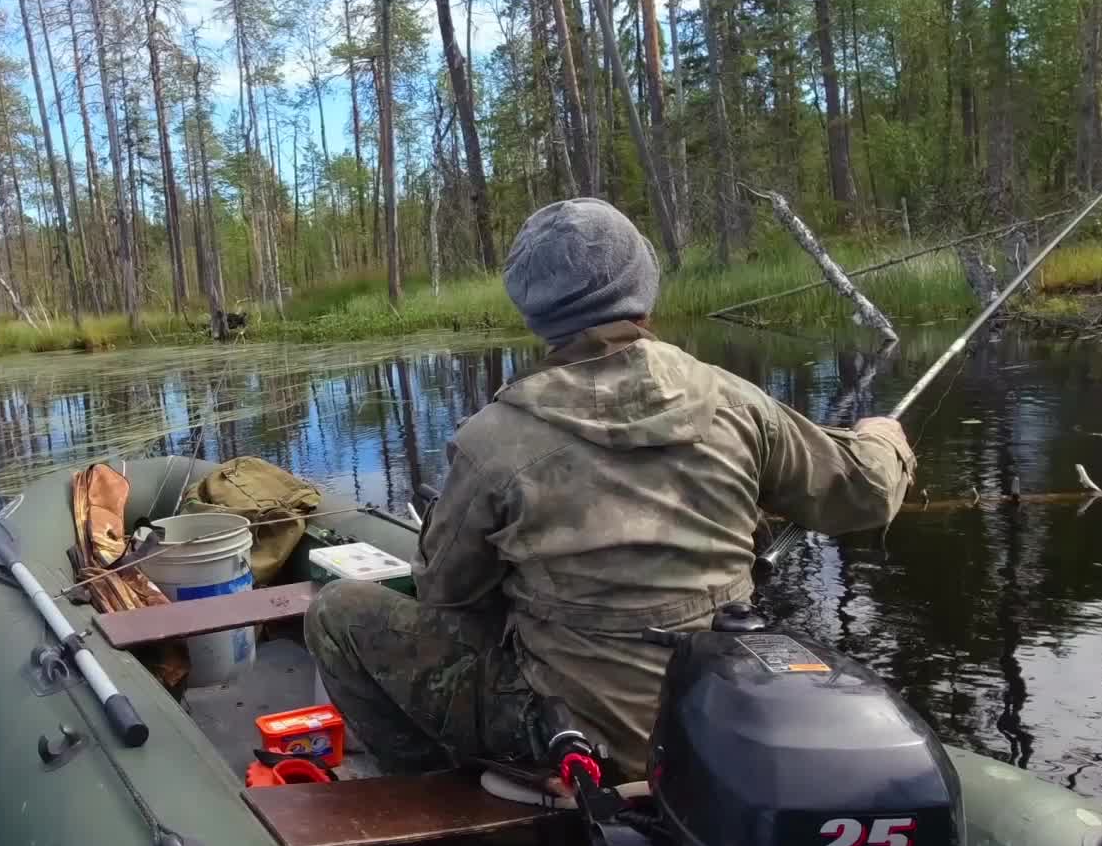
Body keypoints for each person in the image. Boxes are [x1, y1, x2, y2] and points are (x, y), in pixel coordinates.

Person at [306, 198, 914, 777]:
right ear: (643, 288)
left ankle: (432, 791)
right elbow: (862, 491)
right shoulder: (734, 400)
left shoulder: (492, 440)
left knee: (337, 614)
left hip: (569, 736)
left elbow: (443, 592)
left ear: (534, 311)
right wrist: (882, 437)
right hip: (719, 720)